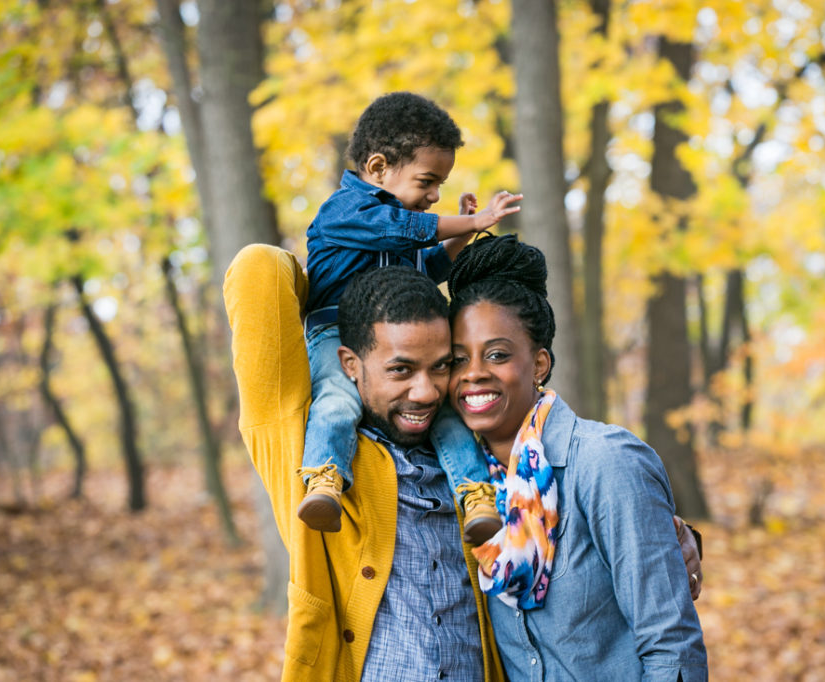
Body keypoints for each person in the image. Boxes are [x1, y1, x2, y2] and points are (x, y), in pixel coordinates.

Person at [223, 243, 703, 681]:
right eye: (400, 368)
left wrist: (663, 534)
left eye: (440, 365)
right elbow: (257, 272)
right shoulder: (318, 456)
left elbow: (663, 634)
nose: (428, 390)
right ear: (351, 364)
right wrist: (349, 272)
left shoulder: (483, 469)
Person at [445, 233, 708, 681]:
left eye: (497, 355)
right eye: (457, 360)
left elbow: (671, 647)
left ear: (540, 364)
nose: (473, 374)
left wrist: (671, 533)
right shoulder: (465, 488)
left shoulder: (604, 463)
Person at [299, 91, 521, 541]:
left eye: (440, 183)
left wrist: (458, 236)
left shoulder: (409, 234)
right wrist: (473, 223)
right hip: (335, 331)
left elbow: (431, 267)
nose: (435, 194)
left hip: (400, 347)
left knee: (444, 412)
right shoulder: (345, 211)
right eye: (427, 181)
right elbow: (403, 230)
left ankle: (474, 494)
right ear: (379, 168)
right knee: (338, 400)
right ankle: (324, 479)